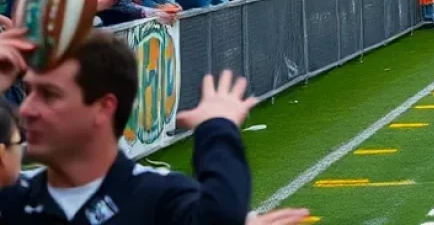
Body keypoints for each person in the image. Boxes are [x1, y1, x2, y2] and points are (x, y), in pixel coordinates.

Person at [0, 28, 309, 223]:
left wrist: (216, 127)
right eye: (28, 92)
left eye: (49, 95)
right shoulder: (13, 194)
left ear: (104, 107)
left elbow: (220, 216)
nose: (26, 110)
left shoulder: (156, 196)